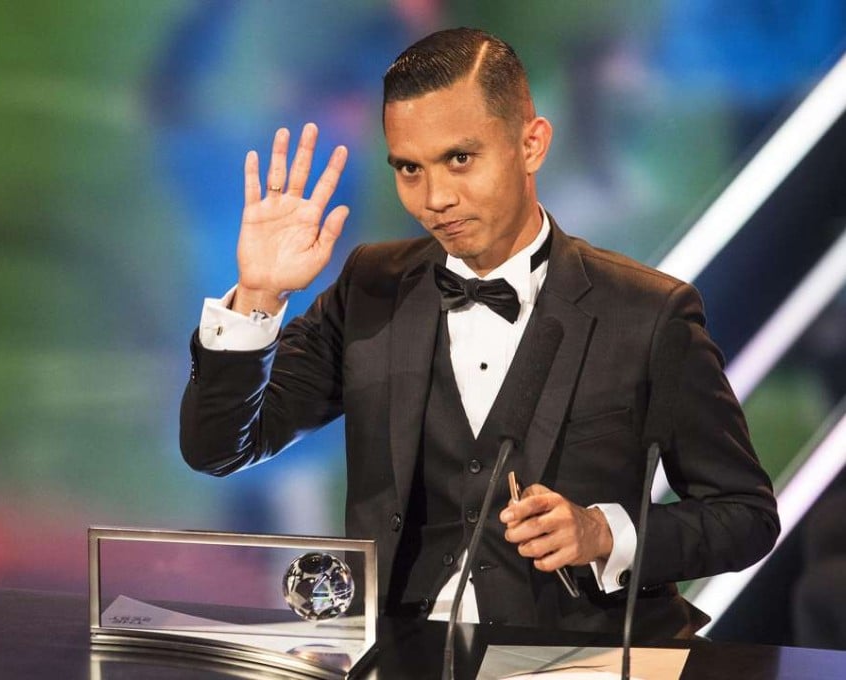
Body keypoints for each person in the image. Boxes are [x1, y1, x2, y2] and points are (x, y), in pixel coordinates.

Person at [179, 27, 778, 635]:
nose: (435, 197)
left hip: (574, 659)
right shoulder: (370, 287)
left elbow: (744, 515)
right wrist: (259, 295)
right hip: (397, 653)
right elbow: (219, 447)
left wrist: (603, 533)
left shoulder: (649, 312)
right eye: (409, 168)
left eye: (459, 159)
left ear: (532, 144)